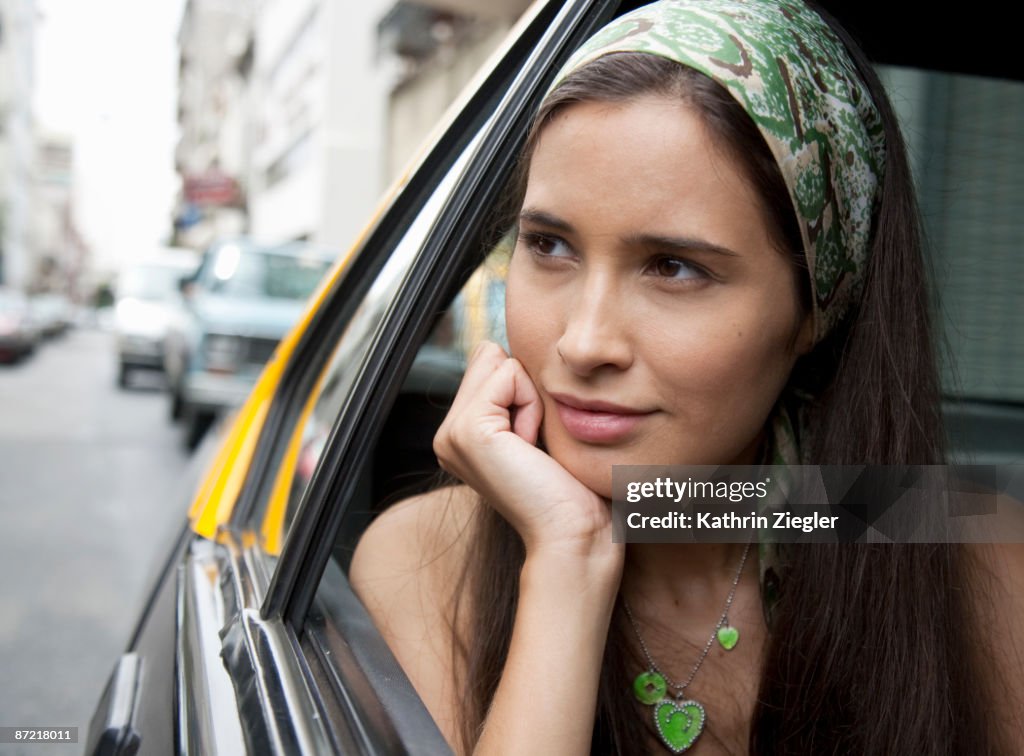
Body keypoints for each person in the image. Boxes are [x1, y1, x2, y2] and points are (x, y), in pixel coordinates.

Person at [351, 1, 1024, 753]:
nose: (583, 341)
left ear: (814, 309)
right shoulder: (423, 564)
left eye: (673, 267)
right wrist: (567, 559)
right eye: (549, 245)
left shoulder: (973, 562)